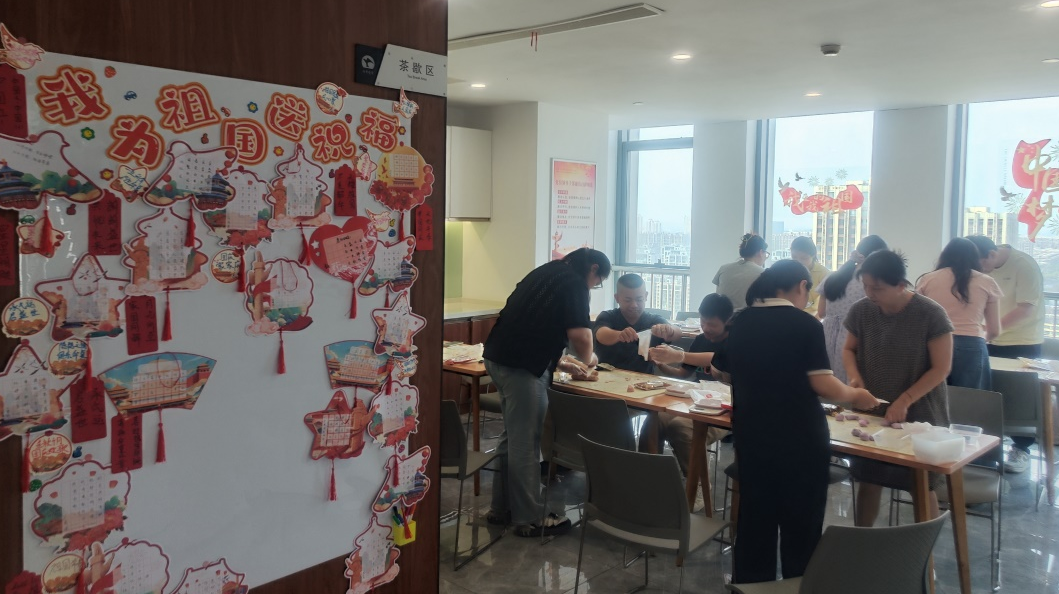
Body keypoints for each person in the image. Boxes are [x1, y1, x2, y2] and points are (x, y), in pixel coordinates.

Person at [712, 260, 880, 584]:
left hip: (752, 437)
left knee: (755, 521)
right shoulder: (805, 325)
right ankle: (798, 585)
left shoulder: (741, 321)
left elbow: (722, 371)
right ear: (802, 286)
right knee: (801, 525)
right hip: (800, 441)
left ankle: (751, 587)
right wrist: (856, 396)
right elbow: (823, 385)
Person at [482, 248, 610, 537]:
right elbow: (581, 336)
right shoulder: (575, 282)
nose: (593, 286)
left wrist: (560, 360)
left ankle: (501, 509)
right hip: (522, 368)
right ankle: (529, 518)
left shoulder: (547, 271)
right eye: (597, 282)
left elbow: (534, 324)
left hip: (497, 358)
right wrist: (590, 359)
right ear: (593, 268)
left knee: (513, 437)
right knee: (526, 442)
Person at [843, 250, 953, 527]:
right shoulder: (861, 310)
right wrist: (855, 379)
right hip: (873, 408)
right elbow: (849, 349)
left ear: (901, 285)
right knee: (869, 478)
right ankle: (863, 539)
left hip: (920, 411)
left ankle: (924, 550)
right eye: (866, 286)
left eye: (877, 288)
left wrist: (905, 399)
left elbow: (941, 368)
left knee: (921, 482)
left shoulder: (930, 314)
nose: (870, 293)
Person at [966, 235, 1046, 473]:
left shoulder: (1024, 265)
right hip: (987, 338)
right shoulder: (981, 269)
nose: (980, 271)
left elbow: (1026, 309)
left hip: (1021, 342)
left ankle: (1022, 449)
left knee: (1020, 399)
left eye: (981, 265)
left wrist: (991, 328)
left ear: (992, 254)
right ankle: (987, 449)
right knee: (988, 395)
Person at [646, 294, 734, 475]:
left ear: (728, 321)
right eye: (703, 322)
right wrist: (661, 364)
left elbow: (715, 358)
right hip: (696, 399)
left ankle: (698, 485)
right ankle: (650, 475)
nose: (706, 328)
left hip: (723, 407)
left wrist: (678, 355)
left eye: (712, 324)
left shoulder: (736, 342)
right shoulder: (701, 340)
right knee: (655, 420)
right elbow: (683, 374)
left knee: (680, 427)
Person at [916, 237, 1001, 390]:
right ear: (975, 258)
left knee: (933, 396)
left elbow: (918, 320)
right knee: (970, 399)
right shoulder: (986, 282)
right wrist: (981, 340)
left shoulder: (927, 279)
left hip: (934, 343)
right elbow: (994, 330)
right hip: (972, 346)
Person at [817, 235, 888, 382]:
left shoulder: (832, 277)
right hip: (855, 337)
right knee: (853, 382)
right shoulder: (871, 282)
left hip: (826, 336)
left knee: (829, 382)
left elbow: (821, 312)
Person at [593, 273, 682, 374]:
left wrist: (669, 330)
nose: (634, 305)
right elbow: (601, 334)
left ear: (646, 296)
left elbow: (678, 333)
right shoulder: (607, 316)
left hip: (643, 379)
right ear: (617, 298)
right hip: (606, 377)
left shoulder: (653, 320)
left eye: (639, 299)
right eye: (628, 300)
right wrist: (620, 335)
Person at [713, 233, 768, 310]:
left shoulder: (723, 268)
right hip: (747, 316)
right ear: (761, 252)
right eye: (766, 254)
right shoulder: (763, 274)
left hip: (722, 315)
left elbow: (718, 295)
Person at [791, 236, 829, 316]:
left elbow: (825, 305)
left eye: (804, 258)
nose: (798, 261)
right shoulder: (787, 271)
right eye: (794, 257)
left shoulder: (823, 273)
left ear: (813, 255)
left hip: (814, 317)